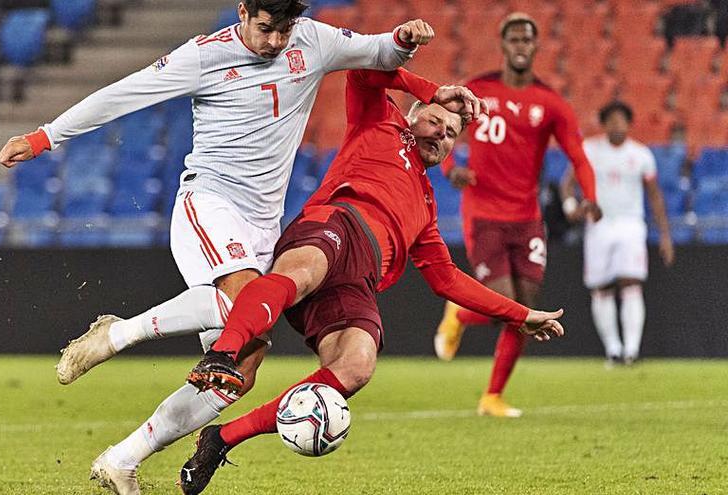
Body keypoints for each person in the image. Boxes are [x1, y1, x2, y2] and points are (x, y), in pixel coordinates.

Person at [0, 2, 445, 493]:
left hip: (262, 227)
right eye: (265, 28)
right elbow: (125, 94)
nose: (275, 41)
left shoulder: (312, 41)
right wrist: (45, 137)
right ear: (243, 12)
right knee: (242, 303)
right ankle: (116, 335)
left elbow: (378, 53)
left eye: (284, 29)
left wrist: (404, 40)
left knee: (242, 370)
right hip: (209, 202)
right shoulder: (206, 56)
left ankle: (123, 458)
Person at [180, 67, 566, 494]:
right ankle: (223, 354)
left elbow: (449, 281)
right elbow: (364, 71)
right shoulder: (381, 122)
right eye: (435, 120)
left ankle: (221, 439)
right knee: (302, 272)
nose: (441, 134)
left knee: (357, 366)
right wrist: (431, 84)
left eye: (452, 133)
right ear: (414, 115)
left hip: (359, 279)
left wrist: (520, 314)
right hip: (337, 222)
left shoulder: (425, 209)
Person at [433, 12, 601, 418]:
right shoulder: (477, 91)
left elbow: (578, 155)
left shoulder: (551, 103)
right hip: (484, 211)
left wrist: (591, 197)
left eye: (528, 39)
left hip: (527, 217)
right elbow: (439, 126)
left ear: (536, 46)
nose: (521, 45)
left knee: (527, 308)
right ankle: (458, 312)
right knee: (508, 304)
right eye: (515, 39)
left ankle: (492, 397)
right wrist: (451, 167)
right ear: (504, 45)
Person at [561, 101, 675, 367]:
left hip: (630, 224)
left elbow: (655, 197)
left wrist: (665, 236)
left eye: (621, 120)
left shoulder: (641, 154)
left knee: (631, 282)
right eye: (611, 120)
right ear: (603, 124)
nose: (617, 125)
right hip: (598, 224)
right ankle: (613, 349)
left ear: (629, 123)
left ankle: (631, 350)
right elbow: (567, 183)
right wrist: (570, 207)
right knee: (601, 288)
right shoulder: (589, 149)